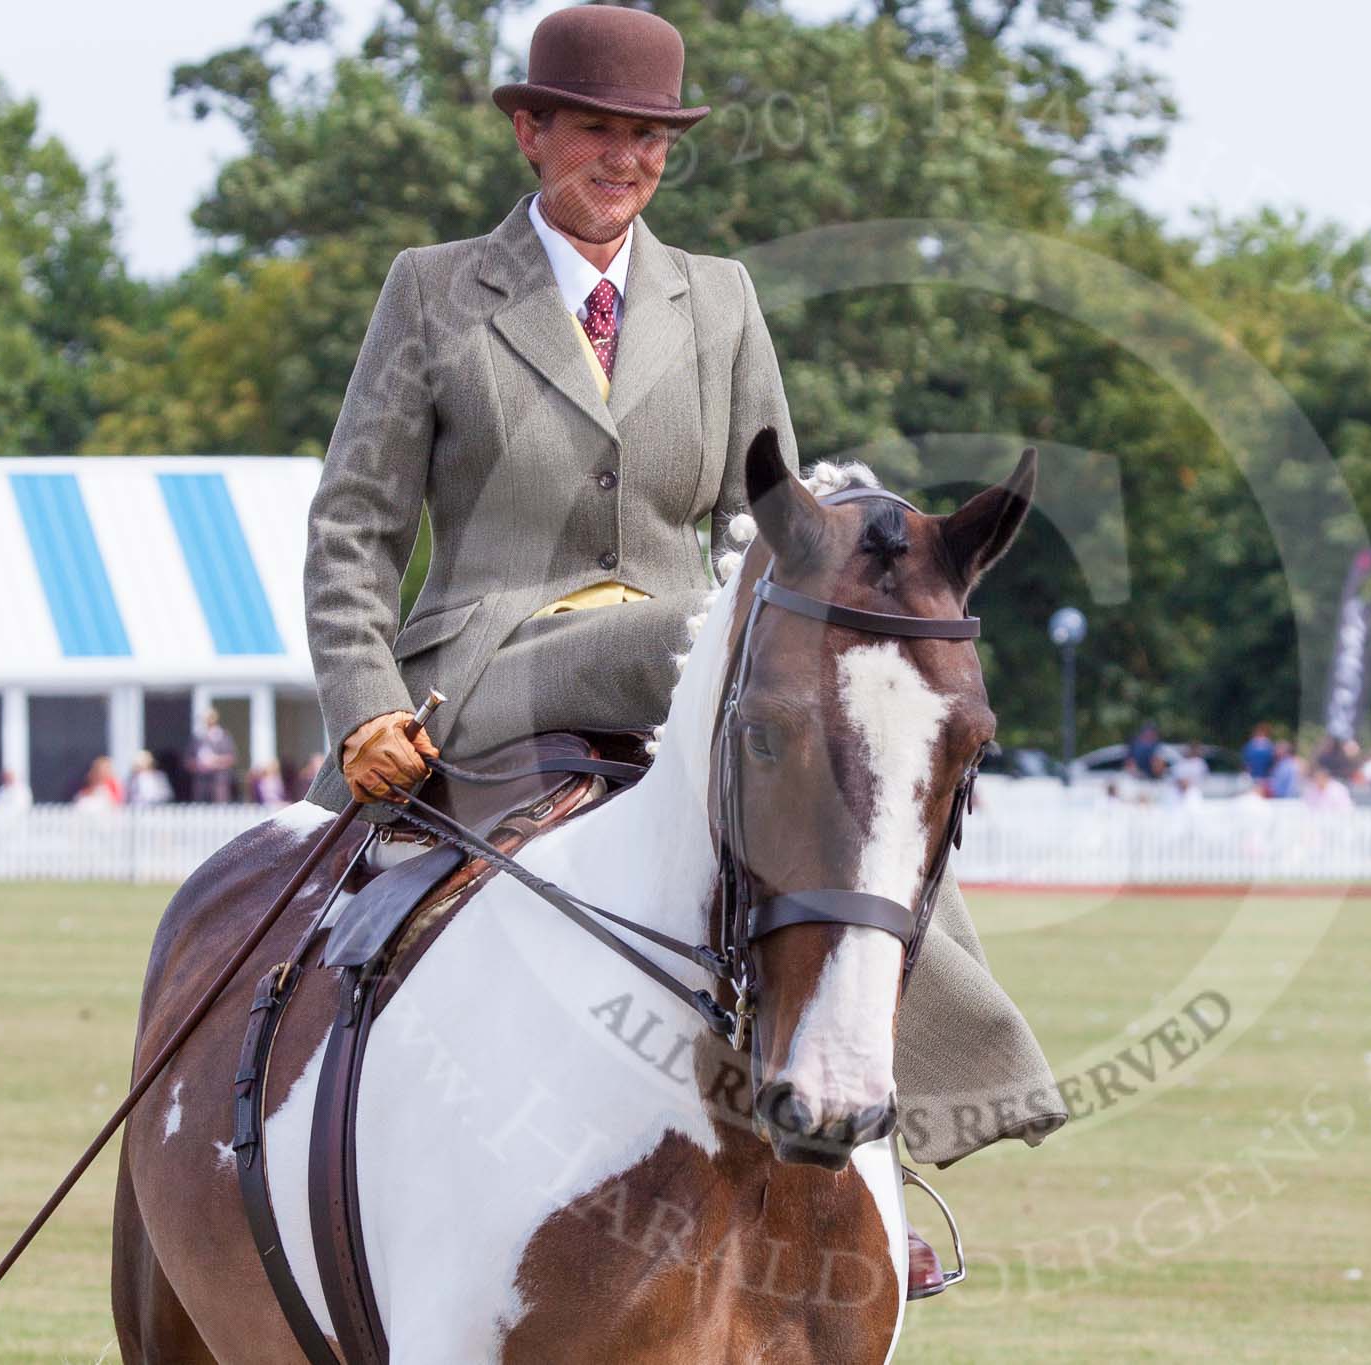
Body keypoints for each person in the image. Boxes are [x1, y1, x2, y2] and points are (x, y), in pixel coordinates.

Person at [296, 4, 1062, 1281]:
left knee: (864, 757)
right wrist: (365, 701)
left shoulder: (719, 299)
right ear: (532, 132)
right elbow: (350, 529)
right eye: (598, 129)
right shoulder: (434, 290)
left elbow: (772, 520)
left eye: (650, 138)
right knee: (818, 691)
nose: (627, 158)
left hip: (689, 655)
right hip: (494, 659)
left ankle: (907, 1130)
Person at [184, 710, 238, 804]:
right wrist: (200, 765)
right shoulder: (197, 738)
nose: (208, 721)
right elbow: (188, 761)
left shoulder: (224, 736)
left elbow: (231, 758)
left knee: (220, 807)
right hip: (201, 781)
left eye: (210, 718)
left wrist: (215, 761)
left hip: (219, 781)